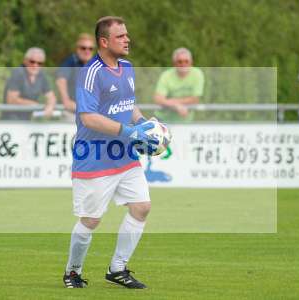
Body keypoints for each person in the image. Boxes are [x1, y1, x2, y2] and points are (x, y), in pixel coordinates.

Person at [63, 16, 158, 289]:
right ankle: (73, 271)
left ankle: (117, 269)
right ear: (104, 42)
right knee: (91, 220)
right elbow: (89, 117)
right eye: (120, 37)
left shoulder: (127, 67)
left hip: (124, 156)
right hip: (94, 157)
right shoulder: (90, 73)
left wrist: (145, 126)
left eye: (127, 35)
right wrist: (129, 132)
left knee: (142, 207)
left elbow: (129, 105)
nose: (127, 39)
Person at [1, 47, 56, 121]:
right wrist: (34, 104)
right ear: (25, 61)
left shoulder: (41, 75)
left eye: (40, 63)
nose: (35, 65)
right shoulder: (18, 73)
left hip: (28, 122)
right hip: (11, 121)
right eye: (32, 62)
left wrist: (50, 106)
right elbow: (11, 100)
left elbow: (51, 97)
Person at [153, 47, 204, 122]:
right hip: (162, 120)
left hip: (186, 121)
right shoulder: (166, 75)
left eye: (186, 61)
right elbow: (158, 99)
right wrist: (176, 106)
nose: (183, 64)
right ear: (174, 63)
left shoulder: (197, 74)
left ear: (191, 62)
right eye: (180, 61)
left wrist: (172, 102)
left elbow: (195, 99)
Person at [56, 33, 95, 121]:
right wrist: (66, 100)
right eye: (83, 48)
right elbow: (60, 80)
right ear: (77, 49)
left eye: (90, 48)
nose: (87, 51)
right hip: (72, 112)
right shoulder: (71, 62)